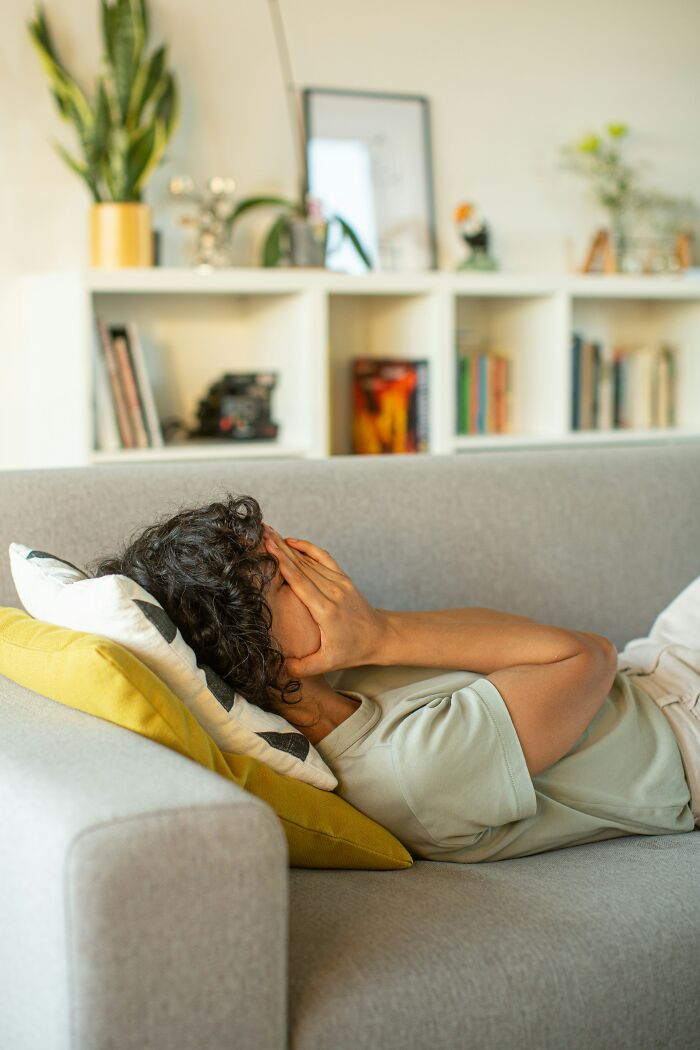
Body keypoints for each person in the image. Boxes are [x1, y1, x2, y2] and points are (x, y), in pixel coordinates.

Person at [88, 493, 700, 864]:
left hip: (657, 663)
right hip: (685, 731)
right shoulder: (411, 770)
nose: (307, 565)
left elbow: (511, 637)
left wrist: (377, 629)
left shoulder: (344, 672)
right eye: (283, 579)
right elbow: (583, 655)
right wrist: (382, 634)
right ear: (266, 662)